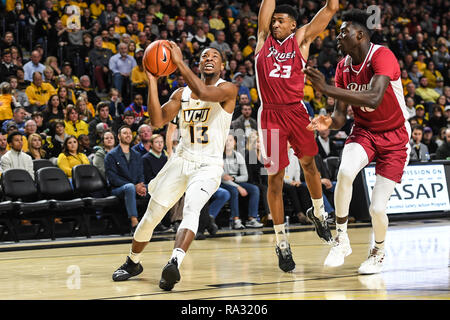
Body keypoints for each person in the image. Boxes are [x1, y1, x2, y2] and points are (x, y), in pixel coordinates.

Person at [112, 44, 237, 291]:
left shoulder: (227, 89)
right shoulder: (182, 94)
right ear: (199, 65)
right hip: (180, 160)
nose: (209, 58)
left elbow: (202, 90)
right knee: (151, 217)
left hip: (208, 164)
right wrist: (152, 81)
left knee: (191, 208)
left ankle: (174, 263)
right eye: (204, 56)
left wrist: (179, 62)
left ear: (222, 66)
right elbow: (157, 120)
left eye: (215, 56)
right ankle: (133, 262)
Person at [304, 9, 412, 274]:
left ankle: (378, 252)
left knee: (377, 209)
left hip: (395, 137)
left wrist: (326, 89)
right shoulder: (343, 67)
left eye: (344, 32)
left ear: (360, 35)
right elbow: (340, 116)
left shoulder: (382, 55)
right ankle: (341, 239)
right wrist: (329, 122)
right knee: (345, 172)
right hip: (364, 131)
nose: (338, 36)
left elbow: (374, 97)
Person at [255, 0, 338, 272]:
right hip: (270, 116)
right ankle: (281, 242)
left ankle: (319, 212)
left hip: (296, 111)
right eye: (273, 20)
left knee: (309, 165)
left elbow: (330, 10)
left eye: (281, 20)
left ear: (292, 24)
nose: (275, 23)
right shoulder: (262, 40)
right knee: (275, 180)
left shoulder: (300, 40)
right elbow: (266, 9)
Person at [104, 125, 147, 232]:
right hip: (118, 189)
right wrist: (134, 186)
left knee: (153, 188)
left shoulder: (137, 155)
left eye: (129, 133)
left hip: (134, 186)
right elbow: (113, 178)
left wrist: (141, 185)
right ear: (119, 136)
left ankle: (156, 222)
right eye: (125, 133)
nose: (128, 135)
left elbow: (141, 174)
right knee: (129, 187)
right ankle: (134, 223)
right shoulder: (111, 155)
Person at [221, 134, 263, 229]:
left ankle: (252, 219)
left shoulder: (238, 155)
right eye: (226, 140)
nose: (228, 142)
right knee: (234, 191)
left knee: (255, 189)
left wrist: (234, 179)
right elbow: (222, 178)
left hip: (235, 180)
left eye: (230, 140)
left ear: (235, 143)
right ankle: (235, 220)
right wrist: (238, 186)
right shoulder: (219, 156)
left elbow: (245, 176)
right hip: (223, 183)